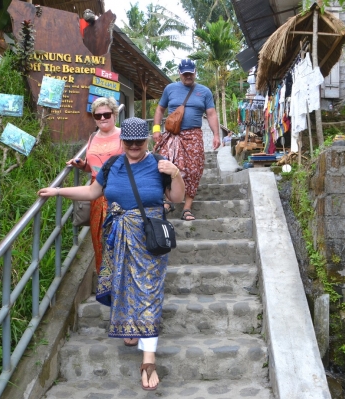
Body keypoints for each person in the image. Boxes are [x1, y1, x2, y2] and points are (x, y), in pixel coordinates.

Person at [38, 118, 185, 391]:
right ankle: (131, 328)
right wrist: (58, 190)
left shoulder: (159, 164)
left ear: (147, 140)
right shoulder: (112, 165)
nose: (133, 146)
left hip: (149, 238)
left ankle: (148, 359)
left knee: (148, 291)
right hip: (117, 235)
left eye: (139, 141)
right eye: (128, 142)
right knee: (124, 286)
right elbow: (93, 192)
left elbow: (176, 198)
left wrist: (176, 173)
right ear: (122, 142)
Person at [152, 58, 220, 221]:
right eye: (185, 74)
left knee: (193, 170)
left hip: (194, 136)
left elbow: (211, 114)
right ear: (179, 73)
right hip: (172, 135)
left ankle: (187, 208)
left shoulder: (204, 92)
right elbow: (160, 109)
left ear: (195, 72)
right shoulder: (170, 89)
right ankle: (168, 202)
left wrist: (216, 134)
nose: (188, 76)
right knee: (166, 165)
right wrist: (156, 130)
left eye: (191, 73)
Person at [67, 97, 122, 278]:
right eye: (98, 116)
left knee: (119, 235)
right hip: (96, 191)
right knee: (99, 236)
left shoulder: (124, 135)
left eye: (107, 114)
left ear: (114, 115)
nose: (103, 118)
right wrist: (82, 165)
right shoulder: (92, 137)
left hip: (119, 191)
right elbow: (93, 167)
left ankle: (121, 277)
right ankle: (105, 278)